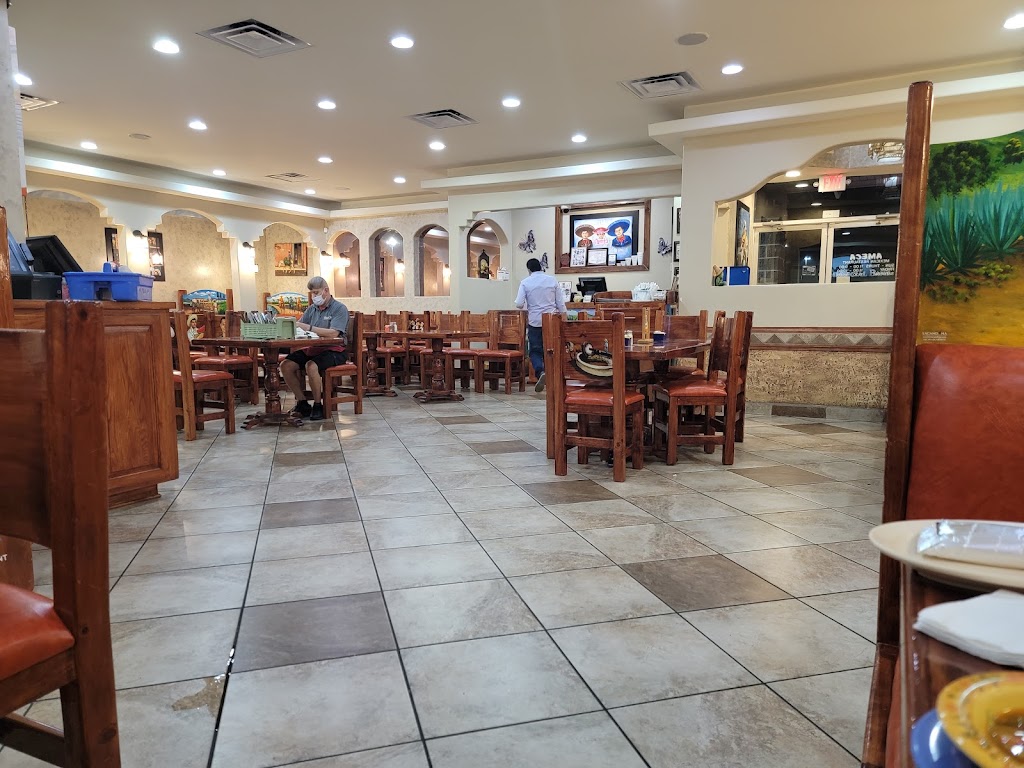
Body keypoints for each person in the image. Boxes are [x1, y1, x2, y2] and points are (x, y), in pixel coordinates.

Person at [281, 276, 349, 420]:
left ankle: (318, 405)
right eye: (312, 293)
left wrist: (309, 328)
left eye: (316, 292)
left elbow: (334, 333)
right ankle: (302, 403)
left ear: (326, 291)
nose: (314, 296)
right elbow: (299, 327)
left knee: (311, 366)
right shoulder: (312, 309)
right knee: (286, 365)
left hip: (335, 350)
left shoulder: (339, 308)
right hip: (313, 348)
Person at [514, 257, 567, 392]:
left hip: (535, 321)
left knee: (535, 350)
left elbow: (519, 304)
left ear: (529, 269)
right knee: (552, 349)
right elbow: (560, 303)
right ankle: (555, 377)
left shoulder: (525, 282)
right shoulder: (552, 280)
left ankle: (540, 371)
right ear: (540, 267)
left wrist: (530, 305)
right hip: (552, 321)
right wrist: (564, 318)